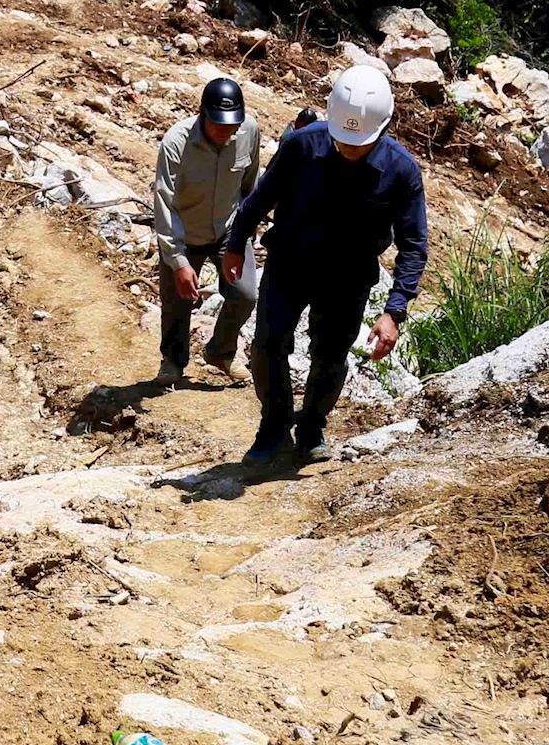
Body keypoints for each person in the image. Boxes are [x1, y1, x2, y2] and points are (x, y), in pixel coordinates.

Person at [222, 65, 429, 465]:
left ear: (383, 128)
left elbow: (414, 245)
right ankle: (275, 424)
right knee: (267, 345)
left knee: (331, 356)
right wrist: (235, 243)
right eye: (343, 139)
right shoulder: (302, 145)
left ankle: (313, 425)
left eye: (360, 143)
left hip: (348, 279)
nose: (350, 148)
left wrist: (394, 312)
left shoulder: (402, 172)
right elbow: (261, 198)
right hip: (289, 263)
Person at [152, 77, 262, 387]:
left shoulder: (248, 131)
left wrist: (244, 233)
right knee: (177, 302)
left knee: (245, 294)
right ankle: (172, 362)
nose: (227, 131)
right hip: (184, 233)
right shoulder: (176, 143)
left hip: (228, 230)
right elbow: (164, 202)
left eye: (232, 125)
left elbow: (249, 186)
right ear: (202, 114)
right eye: (219, 125)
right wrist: (178, 260)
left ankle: (221, 352)